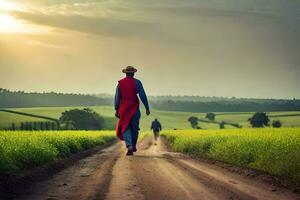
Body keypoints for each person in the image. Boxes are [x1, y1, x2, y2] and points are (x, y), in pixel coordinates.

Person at [114, 66, 150, 156]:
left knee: (125, 127)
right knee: (135, 128)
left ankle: (129, 145)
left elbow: (117, 97)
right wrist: (147, 107)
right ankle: (133, 146)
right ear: (133, 73)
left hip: (124, 108)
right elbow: (143, 96)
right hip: (134, 108)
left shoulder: (120, 83)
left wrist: (116, 109)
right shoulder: (137, 82)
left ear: (125, 73)